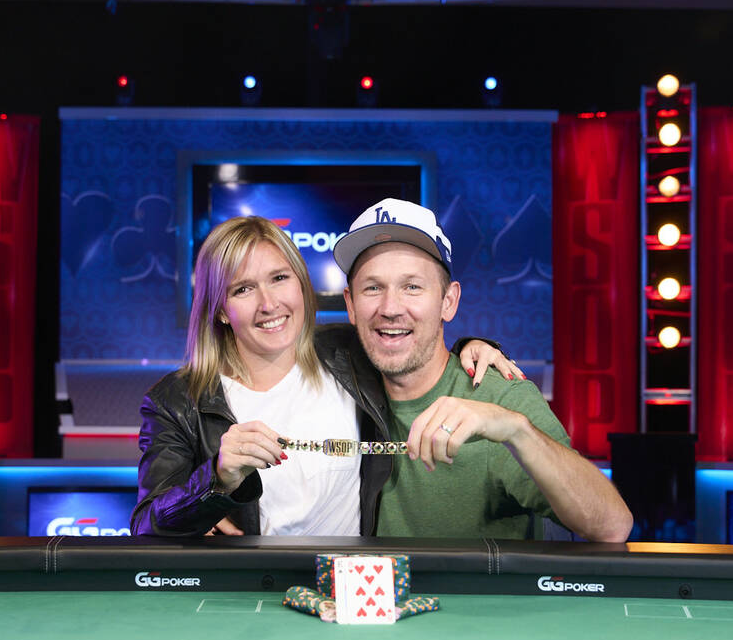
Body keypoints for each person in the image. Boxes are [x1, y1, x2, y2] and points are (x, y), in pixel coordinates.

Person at [131, 215, 521, 538]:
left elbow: (413, 340)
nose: (269, 304)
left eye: (280, 278)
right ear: (218, 309)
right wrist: (216, 480)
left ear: (302, 285)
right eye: (244, 288)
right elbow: (146, 525)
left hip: (349, 584)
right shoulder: (177, 401)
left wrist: (475, 347)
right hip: (249, 592)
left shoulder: (348, 353)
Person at [333, 198, 633, 542]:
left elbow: (612, 526)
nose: (390, 308)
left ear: (449, 301)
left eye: (412, 286)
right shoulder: (335, 384)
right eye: (373, 288)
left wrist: (515, 429)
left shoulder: (500, 394)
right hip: (374, 594)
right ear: (351, 305)